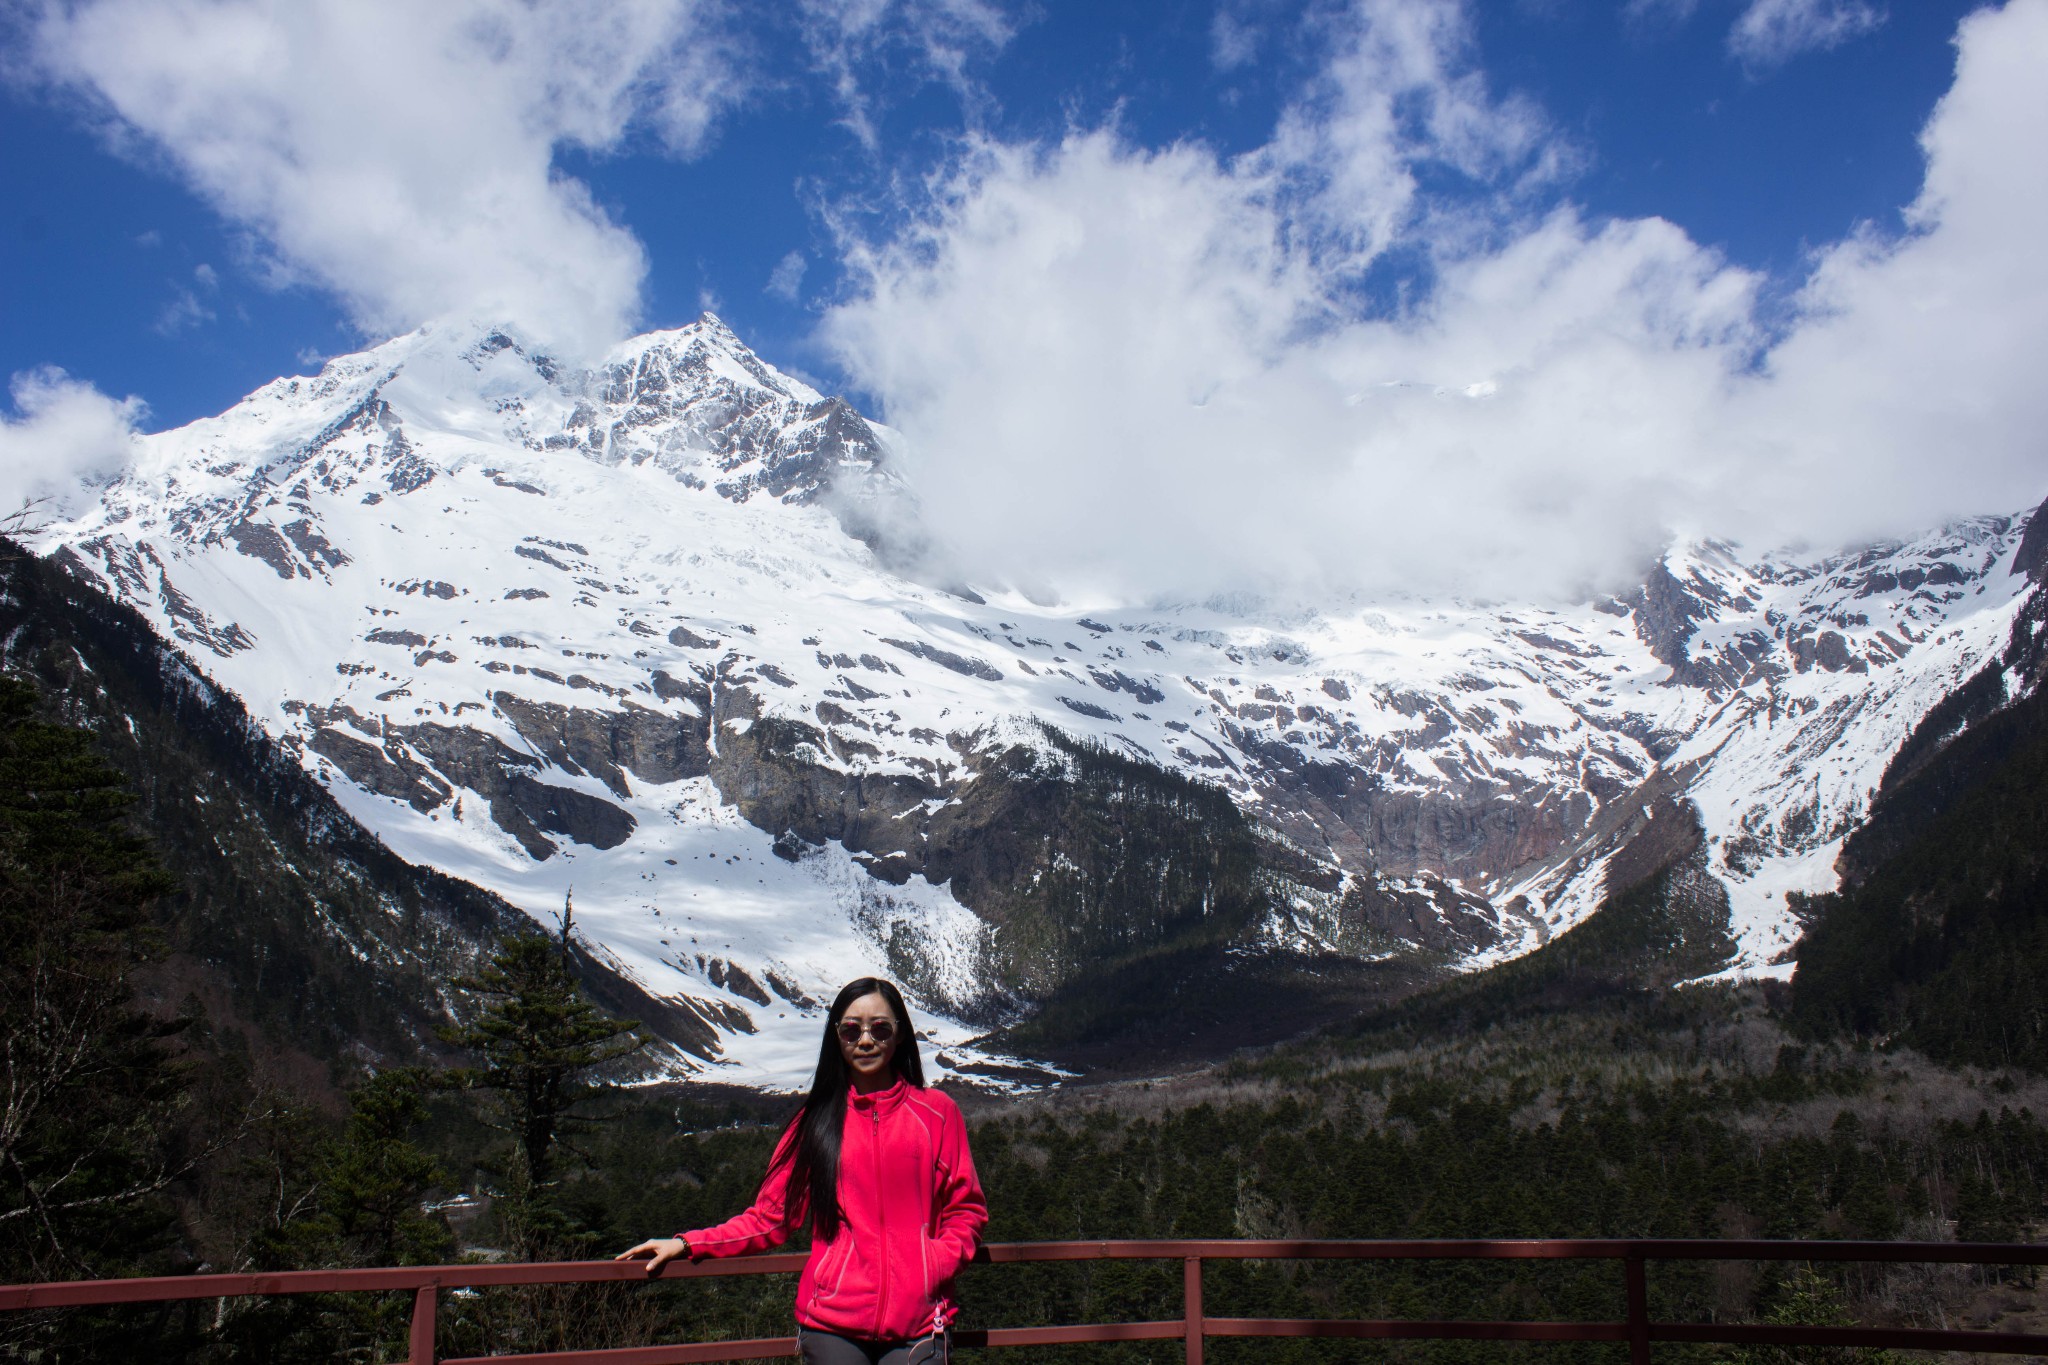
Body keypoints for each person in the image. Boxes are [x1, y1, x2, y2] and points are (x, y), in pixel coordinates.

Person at [618, 977, 986, 1364]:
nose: (865, 1040)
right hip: (832, 1324)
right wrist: (689, 1243)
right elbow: (772, 1218)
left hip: (920, 1324)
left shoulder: (937, 1113)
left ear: (899, 1035)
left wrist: (934, 1263)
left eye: (880, 1028)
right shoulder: (815, 1122)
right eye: (850, 1029)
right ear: (836, 1037)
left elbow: (967, 1209)